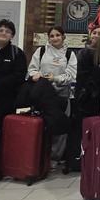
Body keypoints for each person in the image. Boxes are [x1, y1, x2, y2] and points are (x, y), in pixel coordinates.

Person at [26, 26, 77, 163]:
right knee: (41, 125)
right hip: (42, 96)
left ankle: (55, 158)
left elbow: (71, 76)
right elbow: (31, 70)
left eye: (58, 35)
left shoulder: (70, 55)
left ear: (63, 36)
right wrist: (35, 75)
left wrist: (55, 79)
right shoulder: (41, 51)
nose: (55, 38)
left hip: (61, 95)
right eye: (52, 36)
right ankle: (38, 157)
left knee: (60, 128)